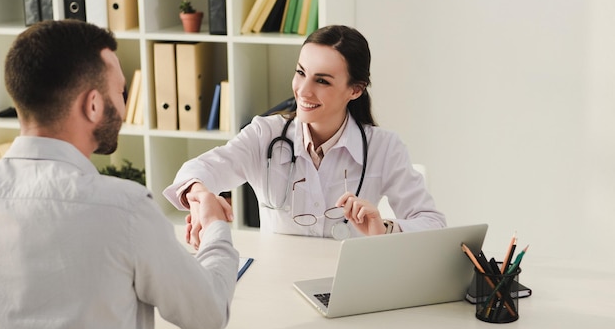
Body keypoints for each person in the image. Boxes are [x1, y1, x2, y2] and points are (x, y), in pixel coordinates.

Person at [0, 19, 239, 329]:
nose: (123, 107)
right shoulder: (124, 209)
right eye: (121, 92)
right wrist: (215, 228)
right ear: (92, 105)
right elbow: (207, 315)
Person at [164, 25, 445, 243]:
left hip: (349, 283)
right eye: (301, 73)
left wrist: (384, 228)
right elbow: (196, 171)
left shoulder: (384, 147)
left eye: (322, 81)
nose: (303, 90)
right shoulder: (264, 134)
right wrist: (202, 196)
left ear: (355, 90)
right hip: (278, 284)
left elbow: (433, 224)